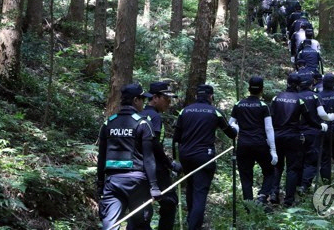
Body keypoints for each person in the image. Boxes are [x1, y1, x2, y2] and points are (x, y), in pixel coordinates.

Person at [97, 83, 161, 230]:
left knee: (110, 225)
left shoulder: (109, 123)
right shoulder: (143, 123)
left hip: (113, 182)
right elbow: (149, 158)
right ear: (135, 100)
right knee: (141, 224)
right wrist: (154, 186)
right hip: (137, 183)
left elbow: (102, 156)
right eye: (142, 100)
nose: (143, 104)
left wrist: (100, 183)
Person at [173, 85, 237, 229]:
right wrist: (236, 128)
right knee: (200, 192)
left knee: (191, 187)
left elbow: (176, 137)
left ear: (196, 96)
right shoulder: (215, 112)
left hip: (186, 156)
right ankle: (194, 226)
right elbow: (231, 134)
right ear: (210, 97)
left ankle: (191, 220)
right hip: (204, 157)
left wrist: (176, 157)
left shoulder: (185, 111)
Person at [127, 82, 180, 230]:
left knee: (139, 207)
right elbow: (154, 144)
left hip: (137, 167)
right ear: (155, 98)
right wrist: (169, 164)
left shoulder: (138, 115)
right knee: (169, 201)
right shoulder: (154, 117)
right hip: (155, 168)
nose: (169, 104)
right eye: (166, 99)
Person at [270, 74, 328, 207]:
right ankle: (289, 200)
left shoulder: (276, 97)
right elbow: (309, 118)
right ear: (298, 85)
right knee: (292, 168)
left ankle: (274, 193)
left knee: (277, 166)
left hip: (277, 136)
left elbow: (270, 116)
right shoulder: (299, 100)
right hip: (293, 137)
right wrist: (320, 126)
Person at [228, 77, 278, 205]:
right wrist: (273, 150)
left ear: (249, 89)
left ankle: (249, 204)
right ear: (261, 90)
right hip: (260, 144)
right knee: (270, 171)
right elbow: (269, 128)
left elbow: (231, 124)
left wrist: (240, 129)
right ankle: (262, 196)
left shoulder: (238, 104)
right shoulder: (263, 106)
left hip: (243, 145)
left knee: (245, 175)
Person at [297, 77, 333, 193]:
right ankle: (304, 185)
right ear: (311, 85)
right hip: (312, 132)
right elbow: (321, 113)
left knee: (299, 160)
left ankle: (297, 185)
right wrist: (329, 118)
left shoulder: (295, 96)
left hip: (297, 132)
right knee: (311, 160)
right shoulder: (315, 96)